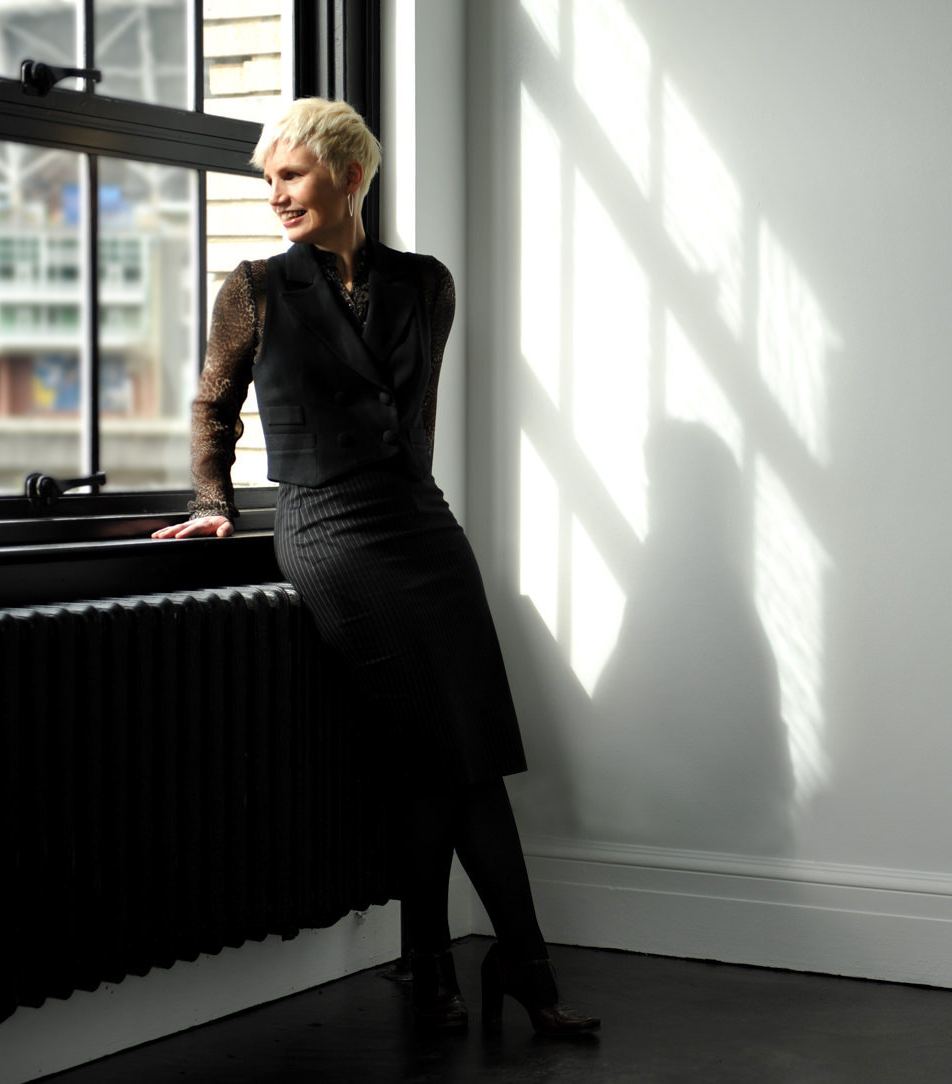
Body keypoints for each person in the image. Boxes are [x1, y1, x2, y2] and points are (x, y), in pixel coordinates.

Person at [152, 98, 598, 1036]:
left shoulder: (425, 284)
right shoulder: (254, 289)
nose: (275, 196)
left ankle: (437, 965)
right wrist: (210, 505)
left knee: (457, 752)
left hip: (421, 527)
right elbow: (211, 409)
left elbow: (411, 419)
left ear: (350, 176)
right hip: (328, 527)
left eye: (292, 176)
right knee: (451, 754)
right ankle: (521, 970)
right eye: (267, 180)